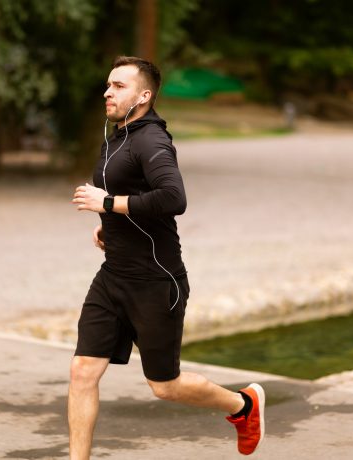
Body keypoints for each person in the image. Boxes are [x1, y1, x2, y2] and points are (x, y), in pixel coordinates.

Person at [70, 55, 265, 459]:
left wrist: (107, 202)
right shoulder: (117, 135)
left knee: (164, 385)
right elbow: (131, 197)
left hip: (155, 281)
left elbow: (173, 198)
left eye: (119, 86)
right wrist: (110, 223)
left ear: (144, 96)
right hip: (113, 276)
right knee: (82, 371)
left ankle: (243, 406)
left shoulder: (151, 140)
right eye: (108, 84)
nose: (107, 92)